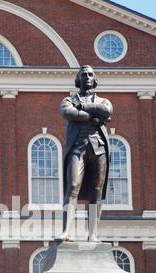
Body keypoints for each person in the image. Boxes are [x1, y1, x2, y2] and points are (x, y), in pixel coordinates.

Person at [57, 65, 113, 242]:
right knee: (73, 185)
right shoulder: (68, 100)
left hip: (99, 148)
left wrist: (84, 107)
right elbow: (69, 113)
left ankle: (93, 234)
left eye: (90, 75)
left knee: (96, 191)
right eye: (84, 75)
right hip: (78, 148)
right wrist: (93, 116)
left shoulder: (104, 101)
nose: (87, 77)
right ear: (78, 79)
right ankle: (66, 231)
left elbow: (107, 112)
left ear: (94, 79)